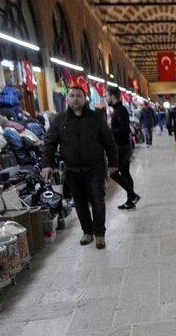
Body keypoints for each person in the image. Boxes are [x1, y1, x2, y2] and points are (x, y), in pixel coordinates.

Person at [41, 86, 118, 249]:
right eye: (72, 95)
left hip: (94, 168)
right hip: (72, 169)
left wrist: (113, 164)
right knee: (80, 203)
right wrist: (46, 165)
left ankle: (99, 234)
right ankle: (87, 232)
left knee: (97, 201)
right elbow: (49, 143)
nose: (76, 98)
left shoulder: (96, 118)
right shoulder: (59, 120)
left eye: (79, 96)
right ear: (67, 99)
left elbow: (109, 141)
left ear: (85, 99)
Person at [107, 86, 140, 210]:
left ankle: (132, 195)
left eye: (107, 96)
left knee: (113, 173)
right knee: (125, 173)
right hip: (125, 145)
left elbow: (124, 129)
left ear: (113, 96)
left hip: (122, 146)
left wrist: (110, 130)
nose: (106, 98)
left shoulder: (120, 110)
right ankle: (130, 201)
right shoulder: (118, 110)